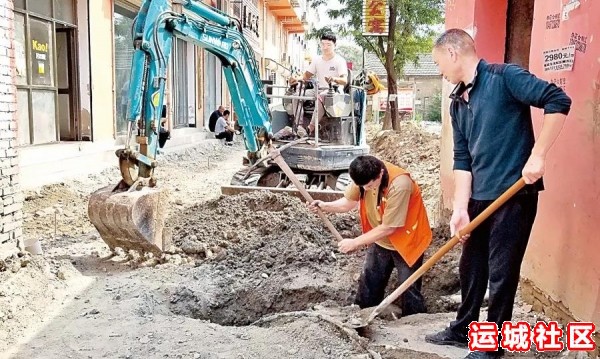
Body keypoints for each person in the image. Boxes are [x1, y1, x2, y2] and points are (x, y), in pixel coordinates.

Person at [426, 29, 571, 358]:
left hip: (514, 196)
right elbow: (463, 160)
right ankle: (464, 329)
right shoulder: (457, 104)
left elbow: (558, 100)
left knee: (502, 271)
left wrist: (539, 154)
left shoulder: (505, 78)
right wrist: (460, 209)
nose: (439, 71)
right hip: (479, 198)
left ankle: (492, 345)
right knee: (471, 267)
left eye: (438, 63)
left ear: (452, 53)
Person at [307, 155, 432, 315]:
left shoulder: (400, 184)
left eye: (370, 185)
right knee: (370, 282)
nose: (365, 189)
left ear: (380, 174)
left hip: (408, 240)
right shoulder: (364, 176)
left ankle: (413, 323)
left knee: (408, 289)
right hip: (381, 239)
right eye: (362, 186)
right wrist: (325, 206)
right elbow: (348, 203)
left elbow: (389, 227)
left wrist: (355, 242)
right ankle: (361, 315)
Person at [290, 32, 348, 134]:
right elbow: (305, 76)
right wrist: (295, 79)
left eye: (328, 45)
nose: (325, 47)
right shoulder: (317, 60)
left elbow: (344, 80)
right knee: (296, 96)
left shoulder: (340, 61)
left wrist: (334, 79)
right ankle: (299, 127)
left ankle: (310, 127)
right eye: (323, 44)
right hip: (318, 88)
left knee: (321, 96)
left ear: (335, 45)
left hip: (334, 91)